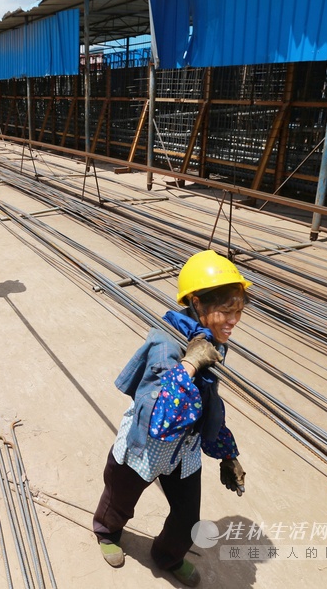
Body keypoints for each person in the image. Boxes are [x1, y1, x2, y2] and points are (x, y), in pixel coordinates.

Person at [92, 250, 250, 586]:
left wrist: (227, 453)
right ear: (197, 302)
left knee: (187, 517)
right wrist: (189, 365)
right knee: (119, 499)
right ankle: (107, 533)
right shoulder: (166, 346)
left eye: (238, 311)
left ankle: (168, 556)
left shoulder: (211, 341)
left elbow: (208, 402)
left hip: (185, 452)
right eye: (226, 311)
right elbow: (161, 422)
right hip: (146, 447)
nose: (233, 320)